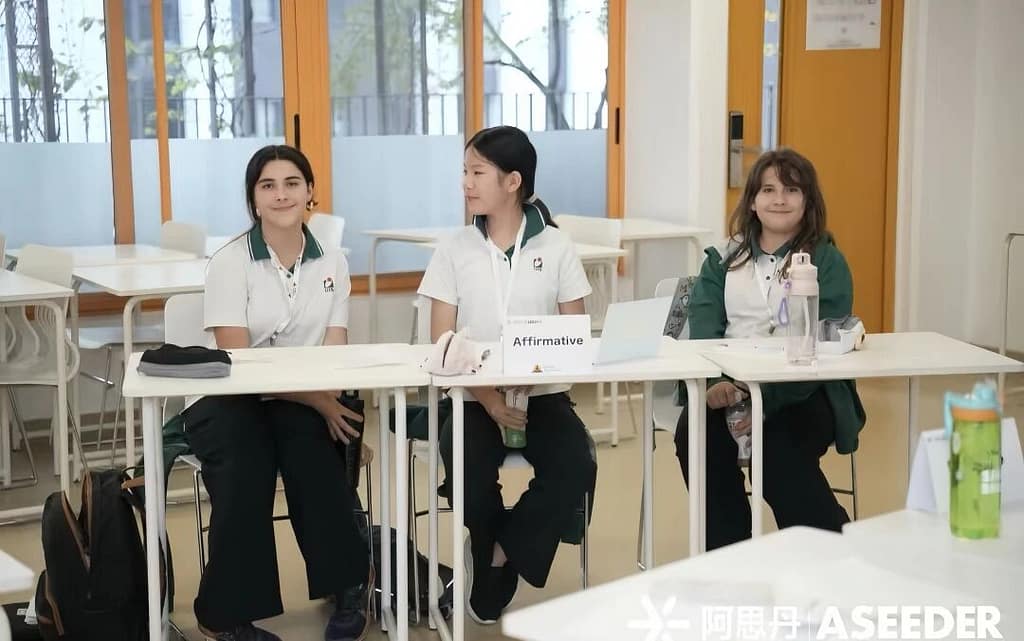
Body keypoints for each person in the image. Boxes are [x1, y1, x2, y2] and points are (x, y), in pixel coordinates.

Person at [182, 145, 371, 641]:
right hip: (228, 397)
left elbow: (333, 351)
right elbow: (241, 363)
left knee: (314, 454)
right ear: (254, 199)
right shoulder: (230, 261)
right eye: (268, 185)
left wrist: (324, 398)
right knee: (247, 466)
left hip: (300, 395)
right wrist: (319, 401)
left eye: (292, 183)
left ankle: (349, 586)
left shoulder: (333, 261)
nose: (281, 194)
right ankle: (221, 617)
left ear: (310, 192)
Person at [418, 125, 598, 624]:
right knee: (468, 472)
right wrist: (491, 399)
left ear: (513, 181)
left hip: (542, 394)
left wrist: (534, 374)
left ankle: (500, 553)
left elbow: (574, 331)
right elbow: (442, 342)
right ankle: (486, 546)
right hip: (472, 395)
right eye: (465, 171)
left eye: (477, 172)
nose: (466, 183)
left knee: (576, 465)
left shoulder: (557, 246)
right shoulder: (454, 248)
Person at [675, 147, 865, 550]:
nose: (779, 199)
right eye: (768, 189)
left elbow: (825, 338)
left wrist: (764, 400)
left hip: (805, 391)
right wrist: (716, 384)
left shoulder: (827, 260)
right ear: (752, 201)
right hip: (728, 388)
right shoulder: (722, 259)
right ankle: (731, 555)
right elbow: (704, 330)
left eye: (792, 190)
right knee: (695, 435)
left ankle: (834, 552)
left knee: (776, 450)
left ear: (808, 201)